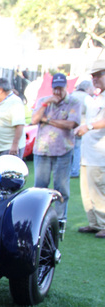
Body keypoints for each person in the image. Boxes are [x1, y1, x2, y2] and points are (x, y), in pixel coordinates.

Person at [31, 73, 81, 226]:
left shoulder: (74, 102)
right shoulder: (43, 101)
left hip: (63, 150)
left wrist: (46, 120)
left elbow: (71, 124)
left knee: (61, 187)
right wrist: (46, 105)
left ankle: (59, 220)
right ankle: (39, 217)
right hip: (42, 150)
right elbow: (34, 120)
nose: (57, 92)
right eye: (55, 88)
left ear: (66, 87)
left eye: (60, 88)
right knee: (40, 186)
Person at [74, 59, 105, 237]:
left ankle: (103, 223)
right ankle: (94, 222)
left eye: (99, 75)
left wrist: (89, 126)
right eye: (93, 76)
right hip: (88, 153)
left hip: (100, 154)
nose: (95, 79)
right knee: (87, 190)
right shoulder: (97, 97)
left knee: (98, 189)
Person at [0, 78, 26, 159]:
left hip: (8, 149)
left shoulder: (15, 102)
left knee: (8, 171)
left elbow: (19, 125)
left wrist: (15, 145)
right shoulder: (0, 102)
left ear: (0, 90)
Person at [70, 80, 96, 179]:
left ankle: (69, 170)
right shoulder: (87, 98)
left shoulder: (71, 95)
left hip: (68, 127)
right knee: (78, 150)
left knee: (69, 151)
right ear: (88, 88)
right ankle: (75, 170)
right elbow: (92, 114)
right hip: (81, 127)